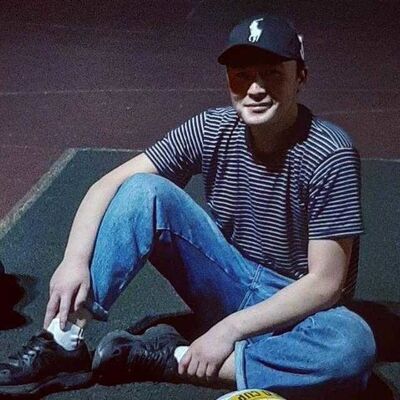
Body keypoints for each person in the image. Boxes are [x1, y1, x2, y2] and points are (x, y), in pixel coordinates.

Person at [0, 14, 376, 399]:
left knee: (352, 348)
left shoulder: (330, 153)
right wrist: (74, 260)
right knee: (143, 190)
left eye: (272, 74)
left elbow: (324, 284)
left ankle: (166, 357)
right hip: (230, 277)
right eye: (242, 75)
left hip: (300, 312)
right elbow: (106, 186)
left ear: (301, 77)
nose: (256, 89)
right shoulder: (211, 128)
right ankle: (63, 340)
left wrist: (229, 330)